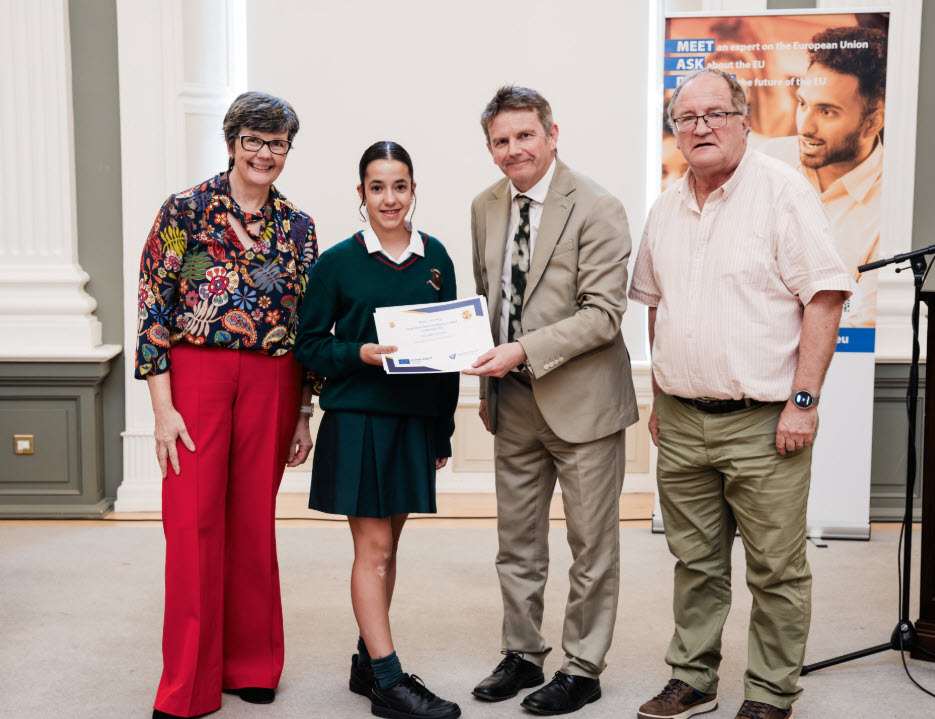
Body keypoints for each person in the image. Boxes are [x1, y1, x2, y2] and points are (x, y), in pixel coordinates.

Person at [629, 68, 851, 719]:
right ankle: (692, 676)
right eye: (685, 118)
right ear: (673, 130)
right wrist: (658, 395)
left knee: (774, 569)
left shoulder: (783, 193)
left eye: (713, 115)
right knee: (693, 562)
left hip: (763, 421)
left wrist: (803, 402)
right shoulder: (665, 207)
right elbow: (655, 306)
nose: (699, 128)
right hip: (679, 417)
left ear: (742, 120)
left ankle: (770, 691)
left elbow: (825, 297)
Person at [135, 91, 320, 719]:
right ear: (232, 141)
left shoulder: (299, 226)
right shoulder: (184, 211)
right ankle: (187, 682)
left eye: (277, 144)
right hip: (196, 377)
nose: (265, 154)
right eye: (254, 140)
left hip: (275, 379)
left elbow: (305, 322)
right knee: (191, 524)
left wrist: (303, 412)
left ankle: (253, 663)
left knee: (251, 523)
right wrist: (164, 408)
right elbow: (153, 310)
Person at [465, 86, 639, 716]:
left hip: (583, 404)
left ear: (552, 133)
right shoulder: (485, 207)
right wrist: (491, 384)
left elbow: (603, 316)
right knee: (517, 542)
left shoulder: (597, 206)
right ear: (489, 148)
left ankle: (583, 666)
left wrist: (522, 351)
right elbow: (489, 304)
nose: (514, 150)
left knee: (591, 545)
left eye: (524, 136)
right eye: (501, 141)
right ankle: (521, 653)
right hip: (511, 404)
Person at [293, 141, 461, 719]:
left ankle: (367, 661)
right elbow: (310, 344)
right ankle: (390, 683)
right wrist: (359, 353)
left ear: (414, 190)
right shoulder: (338, 261)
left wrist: (441, 431)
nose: (389, 198)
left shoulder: (436, 257)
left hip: (414, 422)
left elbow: (446, 352)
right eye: (377, 187)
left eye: (400, 186)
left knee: (391, 550)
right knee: (376, 550)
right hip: (360, 420)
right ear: (360, 194)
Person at [760, 26, 887, 328]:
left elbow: (861, 322)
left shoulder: (889, 203)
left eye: (827, 112)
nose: (806, 126)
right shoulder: (768, 161)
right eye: (803, 104)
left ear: (872, 122)